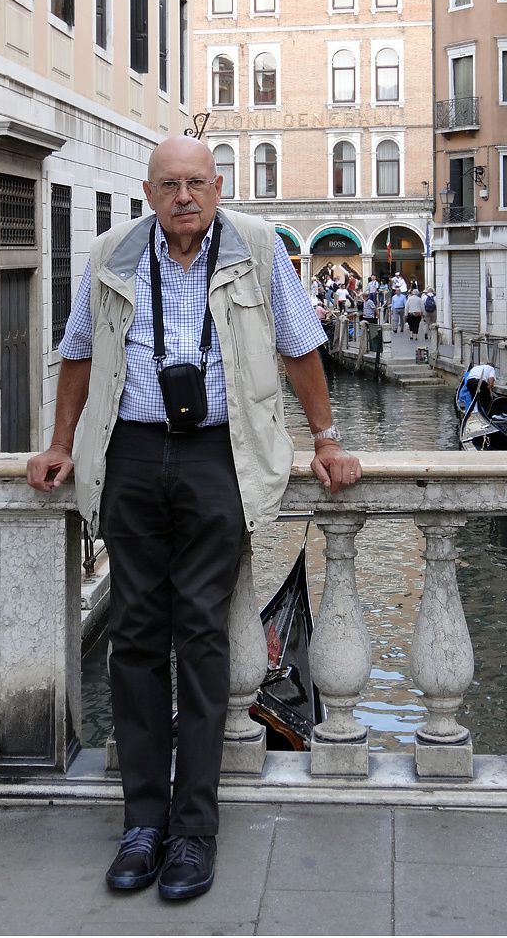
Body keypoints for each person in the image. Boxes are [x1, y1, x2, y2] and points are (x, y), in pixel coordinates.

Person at [26, 136, 362, 901]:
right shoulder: (114, 252)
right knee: (137, 635)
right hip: (132, 453)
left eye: (197, 183)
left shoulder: (253, 245)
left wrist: (328, 439)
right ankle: (142, 823)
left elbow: (299, 344)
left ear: (217, 188)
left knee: (203, 638)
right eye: (170, 184)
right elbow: (78, 352)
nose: (184, 196)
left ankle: (194, 831)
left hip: (219, 454)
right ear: (149, 192)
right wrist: (56, 443)